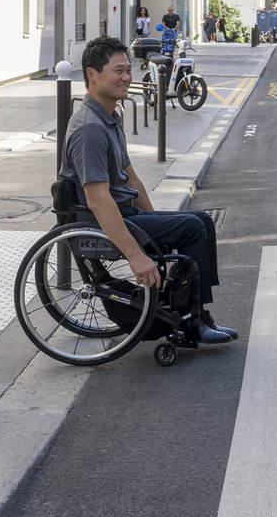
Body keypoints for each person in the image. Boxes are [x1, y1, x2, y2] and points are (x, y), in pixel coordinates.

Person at [60, 36, 236, 343]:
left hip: (127, 213)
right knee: (194, 227)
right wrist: (136, 255)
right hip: (102, 220)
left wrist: (160, 231)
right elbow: (98, 200)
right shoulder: (90, 129)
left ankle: (195, 312)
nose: (127, 77)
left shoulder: (110, 116)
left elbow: (131, 178)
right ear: (92, 74)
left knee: (202, 221)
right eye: (118, 71)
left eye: (128, 70)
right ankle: (188, 322)